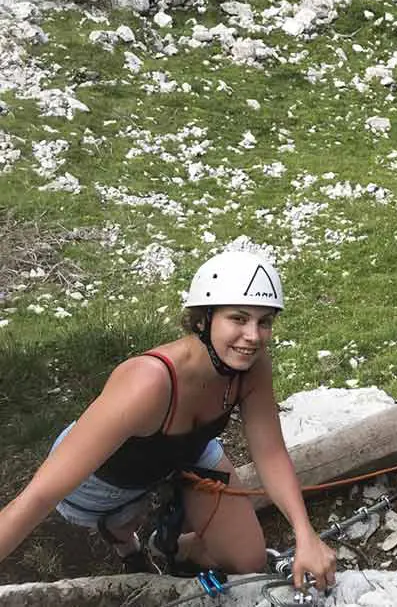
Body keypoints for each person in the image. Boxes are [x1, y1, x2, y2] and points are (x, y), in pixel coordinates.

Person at [0, 250, 337, 591]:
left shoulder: (252, 367)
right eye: (238, 318)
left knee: (247, 560)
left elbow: (270, 453)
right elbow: (37, 497)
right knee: (123, 516)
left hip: (190, 450)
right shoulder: (149, 382)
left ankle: (167, 542)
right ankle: (122, 535)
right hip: (105, 477)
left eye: (264, 322)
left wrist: (305, 534)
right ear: (204, 319)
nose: (253, 336)